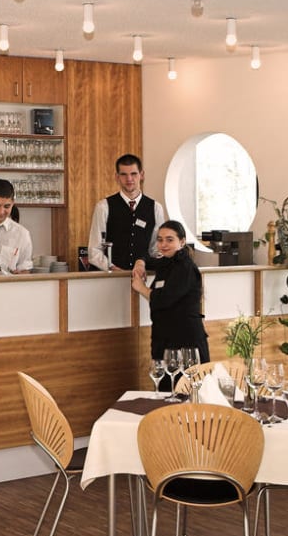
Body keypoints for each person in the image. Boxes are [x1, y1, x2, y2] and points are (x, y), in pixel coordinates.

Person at [132, 220, 210, 373]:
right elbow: (147, 259)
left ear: (182, 242)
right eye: (160, 240)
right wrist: (140, 263)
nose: (163, 244)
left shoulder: (185, 267)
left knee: (186, 386)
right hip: (164, 340)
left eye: (169, 240)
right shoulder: (166, 262)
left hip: (186, 343)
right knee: (164, 386)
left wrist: (141, 288)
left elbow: (164, 299)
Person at [88, 154, 166, 271]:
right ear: (117, 177)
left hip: (143, 276)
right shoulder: (103, 207)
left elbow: (156, 249)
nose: (129, 179)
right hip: (110, 276)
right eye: (124, 174)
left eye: (133, 174)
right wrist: (111, 267)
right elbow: (94, 249)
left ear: (142, 175)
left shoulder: (156, 208)